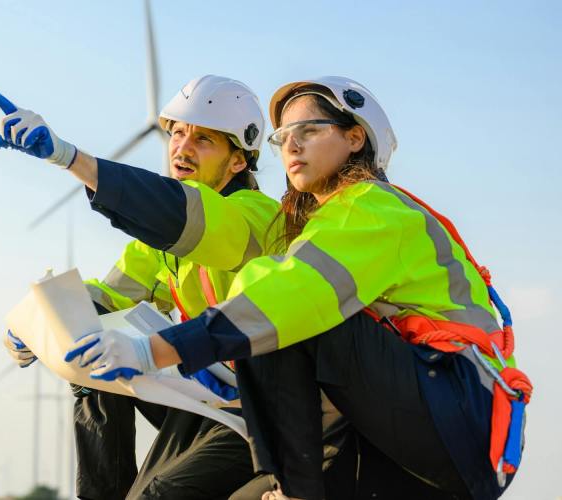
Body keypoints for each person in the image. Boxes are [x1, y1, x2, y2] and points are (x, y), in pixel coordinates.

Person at [65, 76, 532, 500]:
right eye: (284, 137)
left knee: (275, 307)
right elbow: (112, 296)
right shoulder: (320, 224)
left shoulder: (372, 209)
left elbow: (284, 299)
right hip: (395, 425)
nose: (292, 146)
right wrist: (43, 322)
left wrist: (152, 351)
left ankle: (297, 493)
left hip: (457, 411)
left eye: (309, 130)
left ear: (355, 138)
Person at [0, 75, 287, 499]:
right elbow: (103, 299)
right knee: (88, 347)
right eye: (178, 133)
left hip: (263, 411)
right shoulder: (162, 242)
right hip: (207, 397)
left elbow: (191, 219)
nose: (182, 148)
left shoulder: (257, 217)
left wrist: (70, 158)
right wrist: (33, 324)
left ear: (238, 161)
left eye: (203, 139)